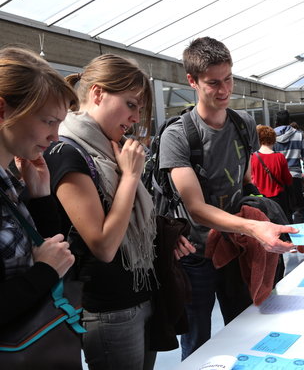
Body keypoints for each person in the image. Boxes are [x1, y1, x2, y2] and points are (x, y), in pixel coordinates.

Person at [44, 54, 195, 370]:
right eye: (130, 104)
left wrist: (162, 237)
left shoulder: (113, 149)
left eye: (139, 108)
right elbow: (104, 245)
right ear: (97, 94)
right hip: (107, 308)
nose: (136, 117)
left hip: (143, 294)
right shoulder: (66, 153)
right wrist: (129, 177)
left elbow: (132, 218)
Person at [158, 37, 296, 360]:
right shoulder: (177, 136)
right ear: (192, 81)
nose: (224, 90)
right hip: (195, 253)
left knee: (245, 328)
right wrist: (252, 227)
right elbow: (196, 208)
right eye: (213, 83)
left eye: (229, 79)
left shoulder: (243, 123)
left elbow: (245, 180)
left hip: (235, 248)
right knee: (197, 344)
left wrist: (261, 214)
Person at [0, 47, 78, 362]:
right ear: (2, 110)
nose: (55, 136)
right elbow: (49, 266)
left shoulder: (9, 180)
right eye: (48, 121)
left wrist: (42, 196)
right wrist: (44, 272)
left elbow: (51, 249)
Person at [273, 110, 304, 224]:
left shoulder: (271, 136)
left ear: (276, 122)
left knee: (284, 209)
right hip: (295, 177)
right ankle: (300, 237)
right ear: (289, 121)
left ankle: (288, 237)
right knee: (299, 208)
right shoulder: (298, 135)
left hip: (278, 178)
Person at [251, 125, 292, 219]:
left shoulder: (253, 157)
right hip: (278, 199)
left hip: (260, 199)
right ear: (273, 139)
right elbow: (288, 180)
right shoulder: (279, 157)